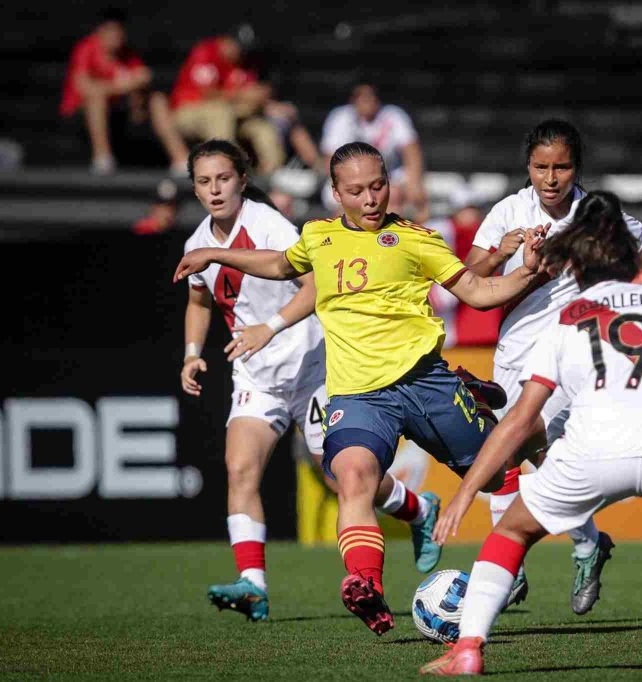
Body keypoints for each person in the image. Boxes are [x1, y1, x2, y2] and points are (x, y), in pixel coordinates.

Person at [174, 142, 549, 636]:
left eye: (378, 186)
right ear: (335, 193)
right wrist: (214, 253)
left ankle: (513, 556)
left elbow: (479, 294)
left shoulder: (417, 238)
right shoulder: (318, 237)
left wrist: (526, 271)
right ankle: (365, 583)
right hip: (356, 395)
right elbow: (281, 266)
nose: (370, 199)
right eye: (356, 190)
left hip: (424, 383)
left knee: (501, 472)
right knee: (353, 478)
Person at [421, 191, 642, 676]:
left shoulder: (564, 320)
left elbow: (522, 419)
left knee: (511, 531)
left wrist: (466, 492)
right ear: (630, 257)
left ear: (574, 258)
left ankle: (468, 652)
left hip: (592, 457)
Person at [179, 140, 442, 623]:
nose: (214, 189)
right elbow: (198, 299)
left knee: (342, 474)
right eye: (203, 181)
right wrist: (192, 354)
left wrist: (270, 327)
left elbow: (317, 284)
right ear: (194, 187)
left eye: (222, 178)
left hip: (311, 366)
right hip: (257, 375)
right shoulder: (197, 242)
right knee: (239, 468)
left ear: (241, 178)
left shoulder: (267, 225)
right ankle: (253, 586)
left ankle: (418, 511)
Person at [464, 119, 642, 614]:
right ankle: (587, 544)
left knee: (521, 445)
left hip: (574, 351)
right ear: (528, 168)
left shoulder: (597, 215)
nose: (551, 178)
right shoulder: (509, 211)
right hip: (514, 350)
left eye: (561, 167)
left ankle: (513, 560)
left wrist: (639, 316)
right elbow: (468, 278)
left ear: (577, 168)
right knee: (525, 457)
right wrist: (502, 253)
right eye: (541, 167)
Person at [59, 9, 188, 174]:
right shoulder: (86, 49)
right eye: (111, 31)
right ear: (100, 32)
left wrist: (137, 91)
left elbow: (141, 79)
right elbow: (84, 87)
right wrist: (124, 86)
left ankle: (180, 159)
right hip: (82, 114)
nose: (116, 35)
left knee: (158, 100)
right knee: (97, 98)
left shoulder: (127, 53)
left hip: (120, 113)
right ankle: (103, 158)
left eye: (119, 31)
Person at [170, 27, 285, 174]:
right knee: (220, 112)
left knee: (262, 127)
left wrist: (263, 99)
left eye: (244, 49)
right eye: (237, 46)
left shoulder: (243, 62)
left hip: (230, 113)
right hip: (189, 110)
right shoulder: (206, 52)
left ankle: (271, 176)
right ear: (226, 42)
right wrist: (244, 96)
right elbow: (207, 93)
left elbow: (252, 95)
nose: (240, 52)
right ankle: (225, 170)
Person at [319, 81, 429, 221]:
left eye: (372, 97)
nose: (368, 101)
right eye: (363, 97)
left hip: (389, 176)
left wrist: (414, 184)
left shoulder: (394, 115)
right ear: (353, 100)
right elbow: (330, 159)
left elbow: (412, 151)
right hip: (351, 178)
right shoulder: (340, 117)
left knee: (403, 197)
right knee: (345, 199)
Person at [427, 187, 504, 347]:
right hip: (451, 326)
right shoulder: (442, 232)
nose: (469, 215)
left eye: (473, 208)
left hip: (484, 326)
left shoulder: (492, 234)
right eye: (464, 209)